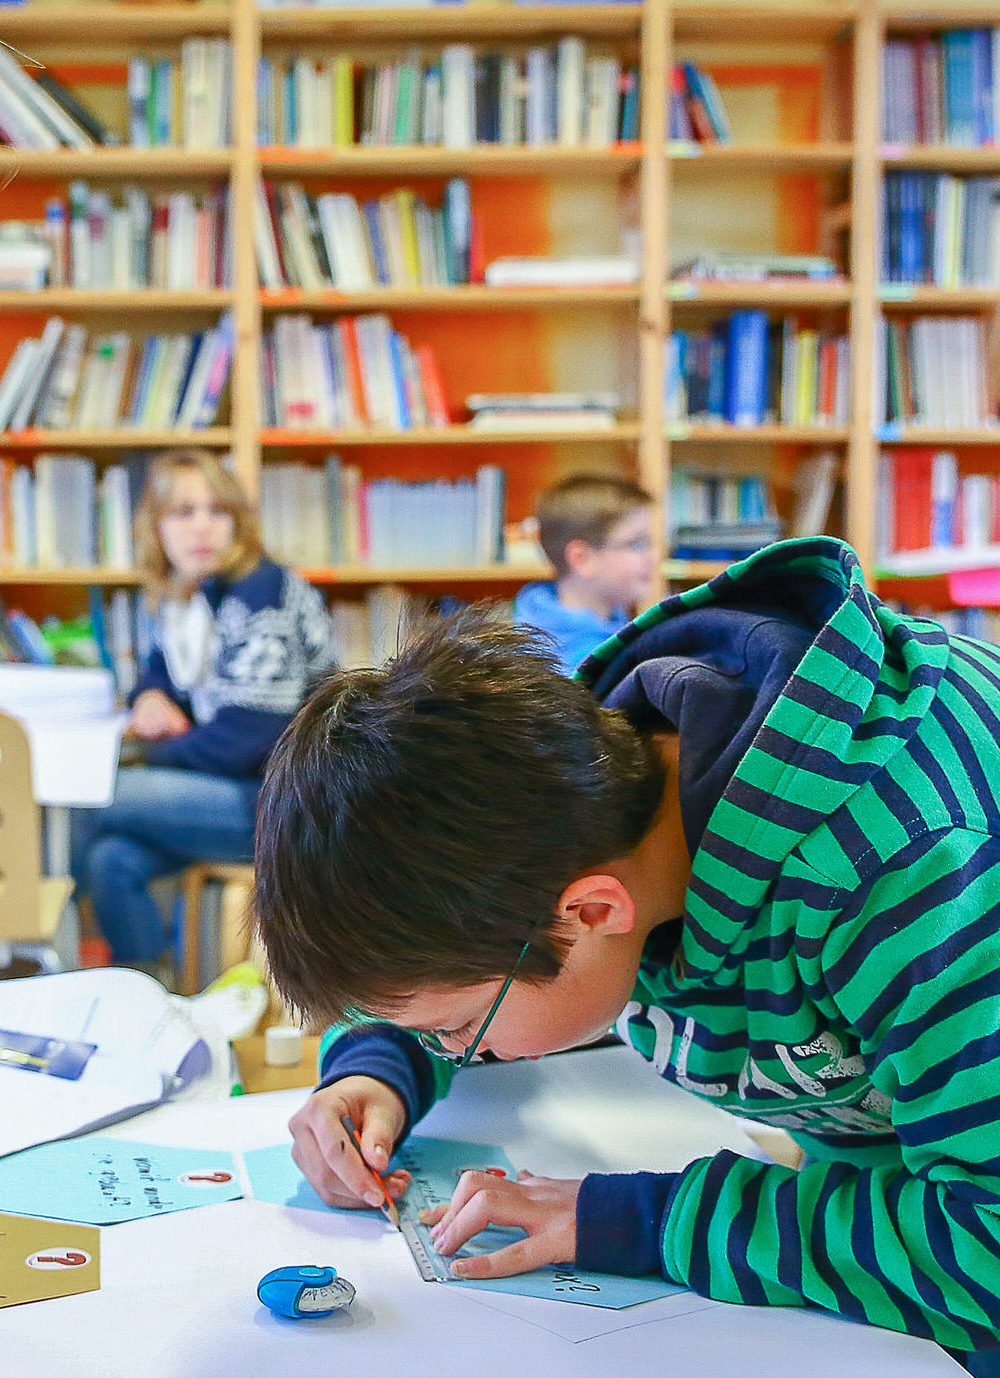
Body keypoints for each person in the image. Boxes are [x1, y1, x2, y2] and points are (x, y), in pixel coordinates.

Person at [255, 538, 1000, 1371]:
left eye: (459, 1028)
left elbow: (990, 1245)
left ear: (592, 910)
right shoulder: (570, 803)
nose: (457, 1053)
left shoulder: (907, 868)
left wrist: (641, 1220)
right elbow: (483, 955)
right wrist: (377, 1062)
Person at [78, 452, 336, 978]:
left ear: (238, 524)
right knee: (112, 859)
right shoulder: (188, 598)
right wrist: (147, 697)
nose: (202, 527)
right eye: (183, 511)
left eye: (218, 511)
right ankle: (149, 995)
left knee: (95, 797)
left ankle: (50, 953)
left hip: (290, 809)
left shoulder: (260, 592)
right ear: (156, 527)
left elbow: (249, 735)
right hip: (233, 794)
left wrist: (150, 756)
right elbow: (158, 673)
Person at [512, 473, 658, 672]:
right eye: (636, 544)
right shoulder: (559, 664)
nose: (653, 556)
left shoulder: (612, 622)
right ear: (582, 559)